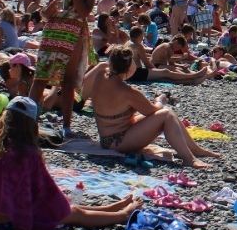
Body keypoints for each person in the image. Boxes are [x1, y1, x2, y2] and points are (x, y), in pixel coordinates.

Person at [0, 97, 142, 230]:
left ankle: (110, 208)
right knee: (74, 214)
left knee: (68, 209)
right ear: (33, 126)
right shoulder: (28, 154)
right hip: (13, 221)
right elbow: (47, 194)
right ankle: (123, 215)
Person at [84, 45, 220, 168]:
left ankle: (195, 150)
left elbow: (83, 86)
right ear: (129, 67)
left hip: (106, 138)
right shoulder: (129, 92)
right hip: (119, 141)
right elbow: (154, 111)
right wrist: (160, 100)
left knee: (167, 113)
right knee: (166, 114)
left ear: (111, 62)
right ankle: (189, 158)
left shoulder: (100, 73)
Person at [30, 0, 96, 131]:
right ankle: (28, 121)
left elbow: (84, 13)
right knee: (41, 77)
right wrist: (49, 8)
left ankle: (67, 125)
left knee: (68, 81)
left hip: (74, 36)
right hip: (53, 34)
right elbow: (44, 15)